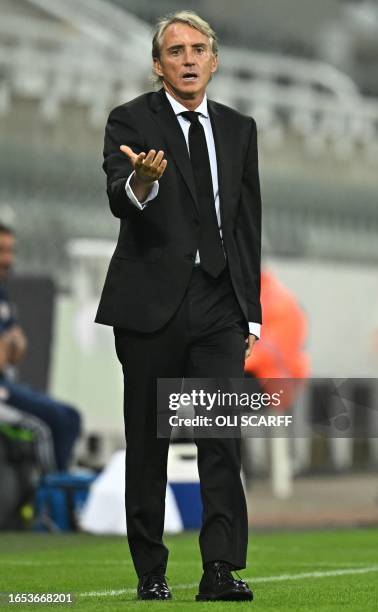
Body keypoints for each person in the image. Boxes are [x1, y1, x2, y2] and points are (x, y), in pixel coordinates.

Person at [96, 11, 262, 602]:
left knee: (222, 439)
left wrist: (252, 312)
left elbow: (246, 224)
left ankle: (219, 570)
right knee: (149, 442)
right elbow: (121, 196)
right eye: (175, 51)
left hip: (220, 305)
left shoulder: (241, 129)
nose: (188, 59)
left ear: (214, 60)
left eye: (198, 49)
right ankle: (151, 572)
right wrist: (143, 181)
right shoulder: (130, 119)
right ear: (157, 64)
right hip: (149, 307)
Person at [0, 223, 81, 472]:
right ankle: (47, 497)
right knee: (44, 428)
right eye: (2, 251)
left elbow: (16, 351)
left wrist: (8, 345)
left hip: (6, 386)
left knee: (69, 416)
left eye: (11, 251)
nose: (8, 259)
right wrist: (9, 345)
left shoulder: (3, 296)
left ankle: (59, 494)